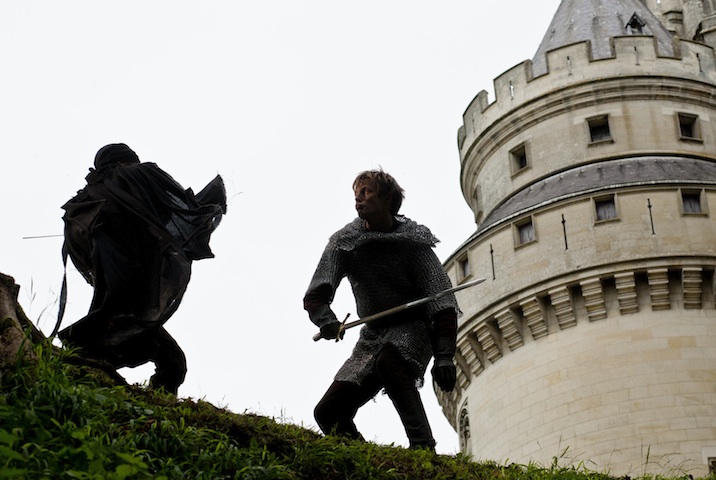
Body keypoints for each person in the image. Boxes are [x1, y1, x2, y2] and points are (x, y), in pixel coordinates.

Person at [303, 169, 460, 450]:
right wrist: (325, 319)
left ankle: (423, 448)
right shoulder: (345, 242)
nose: (358, 199)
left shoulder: (413, 243)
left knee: (390, 364)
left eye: (366, 192)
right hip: (372, 335)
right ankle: (362, 458)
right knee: (328, 412)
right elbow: (317, 293)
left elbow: (442, 303)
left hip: (414, 327)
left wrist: (444, 356)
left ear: (387, 199)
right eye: (356, 193)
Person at [57, 143, 226, 395]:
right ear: (124, 161)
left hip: (118, 287)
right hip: (130, 289)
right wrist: (209, 203)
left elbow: (83, 259)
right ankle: (78, 367)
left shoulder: (80, 205)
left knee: (170, 361)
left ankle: (148, 400)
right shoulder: (136, 175)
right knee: (171, 363)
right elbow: (178, 208)